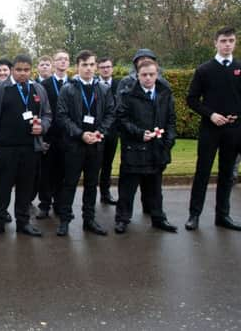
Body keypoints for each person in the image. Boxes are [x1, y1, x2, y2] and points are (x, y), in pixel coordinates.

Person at [0, 55, 52, 238]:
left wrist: (42, 126)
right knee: (2, 187)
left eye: (26, 70)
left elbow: (47, 114)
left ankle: (23, 223)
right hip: (5, 147)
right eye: (19, 69)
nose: (23, 73)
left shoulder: (38, 89)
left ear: (31, 71)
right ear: (13, 69)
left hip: (31, 147)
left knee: (26, 187)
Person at [185, 26, 241, 231]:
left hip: (234, 131)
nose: (227, 44)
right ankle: (194, 215)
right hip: (210, 130)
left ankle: (223, 215)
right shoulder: (204, 70)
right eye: (224, 41)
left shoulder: (239, 68)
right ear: (215, 43)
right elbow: (191, 99)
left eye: (231, 41)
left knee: (227, 174)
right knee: (203, 172)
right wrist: (211, 114)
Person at [56, 50, 115, 237]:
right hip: (75, 145)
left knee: (91, 184)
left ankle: (89, 219)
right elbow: (62, 116)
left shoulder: (103, 89)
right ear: (77, 67)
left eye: (91, 64)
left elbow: (110, 114)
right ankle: (64, 220)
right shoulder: (68, 88)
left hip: (96, 145)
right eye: (84, 65)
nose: (89, 68)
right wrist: (81, 134)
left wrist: (100, 132)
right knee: (69, 183)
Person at [114, 59, 178, 233]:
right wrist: (140, 133)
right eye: (144, 75)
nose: (148, 78)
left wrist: (168, 141)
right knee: (127, 189)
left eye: (151, 74)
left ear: (157, 74)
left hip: (157, 149)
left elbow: (171, 120)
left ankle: (158, 218)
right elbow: (121, 120)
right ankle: (122, 219)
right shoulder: (128, 95)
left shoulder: (165, 94)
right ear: (138, 75)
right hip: (134, 149)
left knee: (155, 189)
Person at [34, 50, 70, 219]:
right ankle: (44, 204)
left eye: (65, 59)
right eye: (59, 59)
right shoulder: (44, 85)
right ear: (54, 63)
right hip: (49, 136)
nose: (62, 62)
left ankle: (60, 204)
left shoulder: (74, 84)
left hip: (68, 136)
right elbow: (40, 111)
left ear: (69, 63)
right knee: (45, 172)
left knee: (63, 172)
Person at [96, 57, 119, 205]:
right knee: (94, 164)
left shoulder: (119, 85)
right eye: (103, 67)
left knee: (108, 164)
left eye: (108, 67)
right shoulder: (93, 85)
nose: (105, 69)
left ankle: (105, 193)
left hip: (113, 131)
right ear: (98, 69)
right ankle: (90, 194)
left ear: (112, 68)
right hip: (97, 131)